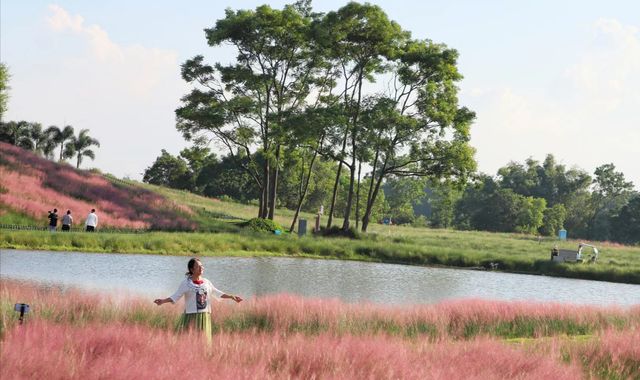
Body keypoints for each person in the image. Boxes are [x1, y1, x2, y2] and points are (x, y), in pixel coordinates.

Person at [154, 258, 242, 341]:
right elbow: (175, 296)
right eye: (198, 266)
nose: (201, 268)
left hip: (204, 315)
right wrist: (163, 301)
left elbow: (217, 292)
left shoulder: (207, 282)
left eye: (202, 266)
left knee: (204, 341)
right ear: (192, 269)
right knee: (190, 340)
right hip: (191, 316)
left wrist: (231, 297)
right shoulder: (186, 283)